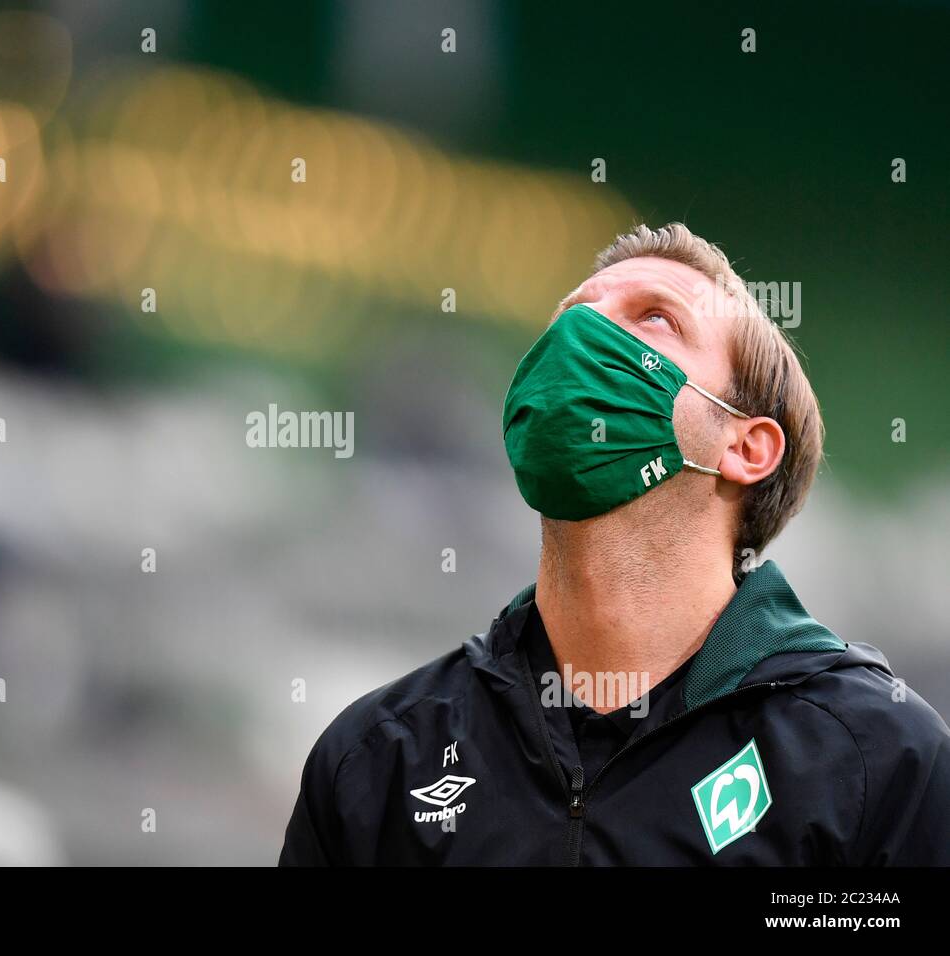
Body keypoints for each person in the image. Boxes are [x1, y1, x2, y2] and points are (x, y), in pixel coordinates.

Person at [278, 223, 950, 865]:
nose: (581, 334)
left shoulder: (878, 760)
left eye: (655, 317)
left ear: (746, 447)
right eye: (569, 316)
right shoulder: (379, 758)